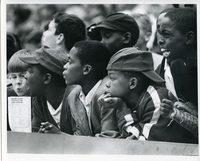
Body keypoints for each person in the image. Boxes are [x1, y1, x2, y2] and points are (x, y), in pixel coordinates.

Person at [98, 47, 197, 143]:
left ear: (132, 83)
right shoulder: (119, 98)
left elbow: (140, 144)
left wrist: (122, 109)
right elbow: (108, 139)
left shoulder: (157, 99)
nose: (107, 83)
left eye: (112, 78)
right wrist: (109, 108)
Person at [39, 40, 119, 137]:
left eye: (70, 62)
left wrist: (61, 136)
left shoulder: (107, 96)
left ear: (86, 69)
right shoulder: (73, 97)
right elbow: (80, 135)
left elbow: (108, 138)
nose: (65, 66)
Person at [156, 8, 198, 138]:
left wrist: (182, 115)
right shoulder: (176, 66)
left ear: (189, 38)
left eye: (166, 34)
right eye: (158, 34)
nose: (159, 41)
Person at [19, 47, 70, 133]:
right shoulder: (39, 100)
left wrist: (60, 136)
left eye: (30, 72)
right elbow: (36, 134)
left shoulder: (73, 101)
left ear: (47, 78)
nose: (25, 76)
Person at [7, 49, 32, 130]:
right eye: (14, 77)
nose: (18, 82)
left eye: (22, 76)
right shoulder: (6, 96)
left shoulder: (40, 100)